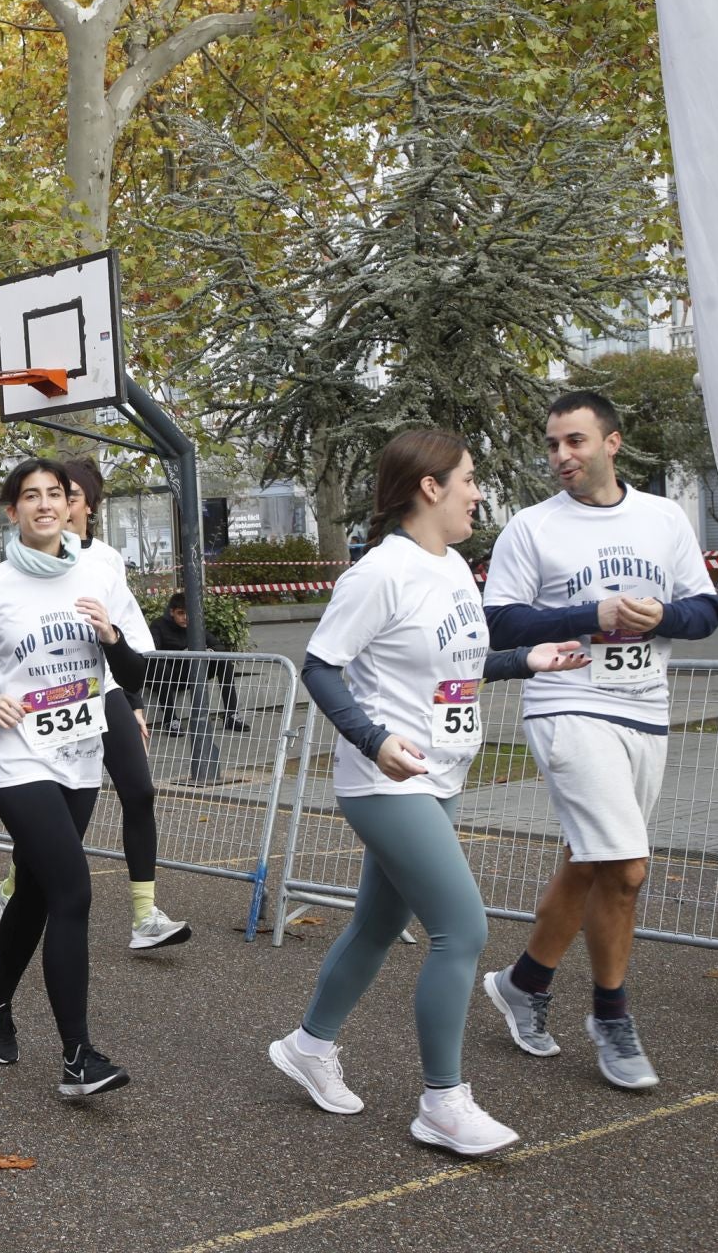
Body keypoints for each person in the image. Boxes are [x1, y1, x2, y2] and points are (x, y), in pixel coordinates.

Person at [267, 429, 590, 1157]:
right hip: (385, 783)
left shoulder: (452, 569)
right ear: (430, 487)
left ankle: (308, 1045)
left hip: (440, 775)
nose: (478, 493)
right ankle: (442, 1102)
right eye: (468, 479)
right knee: (462, 930)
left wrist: (526, 659)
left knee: (377, 926)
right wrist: (373, 739)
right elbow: (320, 666)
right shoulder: (380, 573)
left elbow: (457, 667)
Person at [479, 391, 718, 1090]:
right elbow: (500, 623)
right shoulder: (531, 527)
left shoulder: (663, 517)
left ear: (612, 443)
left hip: (645, 706)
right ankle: (611, 1017)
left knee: (591, 863)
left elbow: (706, 610)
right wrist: (594, 613)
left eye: (576, 441)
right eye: (553, 444)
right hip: (567, 704)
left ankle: (524, 983)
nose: (562, 455)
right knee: (627, 867)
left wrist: (661, 616)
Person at [0, 458, 150, 1098]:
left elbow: (134, 675)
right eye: (30, 496)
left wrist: (111, 637)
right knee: (72, 892)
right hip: (18, 760)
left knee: (33, 892)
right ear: (13, 512)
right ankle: (78, 1058)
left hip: (79, 756)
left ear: (70, 504)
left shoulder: (100, 574)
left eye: (54, 494)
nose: (45, 504)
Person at [0, 459, 191, 951]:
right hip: (50, 697)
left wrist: (136, 703)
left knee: (139, 792)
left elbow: (129, 642)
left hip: (107, 690)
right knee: (52, 806)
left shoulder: (105, 562)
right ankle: (15, 886)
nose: (55, 503)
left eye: (67, 495)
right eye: (42, 495)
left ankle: (145, 914)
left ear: (85, 506)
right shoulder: (13, 569)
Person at [147, 596, 248, 733]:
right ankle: (170, 720)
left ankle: (231, 715)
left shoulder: (195, 625)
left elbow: (218, 646)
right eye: (180, 613)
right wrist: (182, 655)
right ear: (171, 612)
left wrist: (208, 652)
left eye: (188, 613)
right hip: (168, 675)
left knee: (223, 661)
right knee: (161, 667)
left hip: (192, 672)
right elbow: (153, 653)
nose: (185, 617)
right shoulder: (158, 625)